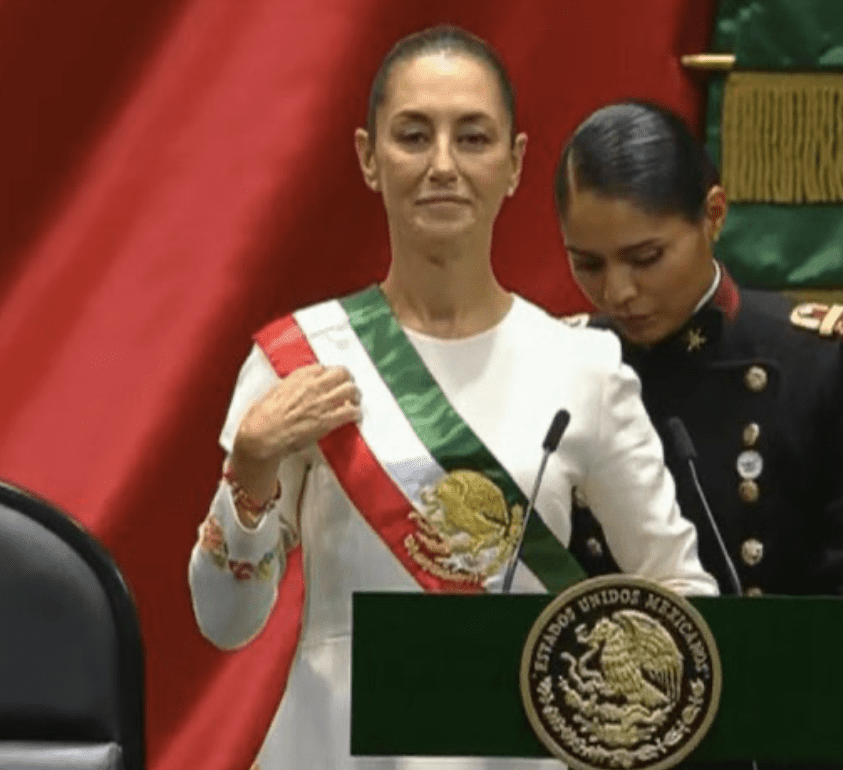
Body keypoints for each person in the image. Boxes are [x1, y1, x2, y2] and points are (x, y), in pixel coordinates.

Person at [188, 30, 717, 770]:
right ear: (370, 159)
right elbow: (226, 621)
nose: (443, 165)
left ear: (514, 164)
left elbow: (682, 594)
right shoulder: (299, 360)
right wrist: (251, 462)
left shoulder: (583, 368)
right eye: (413, 135)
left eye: (473, 137)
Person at [555, 100, 843, 770]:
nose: (617, 292)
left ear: (714, 215)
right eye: (587, 264)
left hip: (803, 739)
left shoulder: (818, 365)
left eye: (646, 257)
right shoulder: (559, 370)